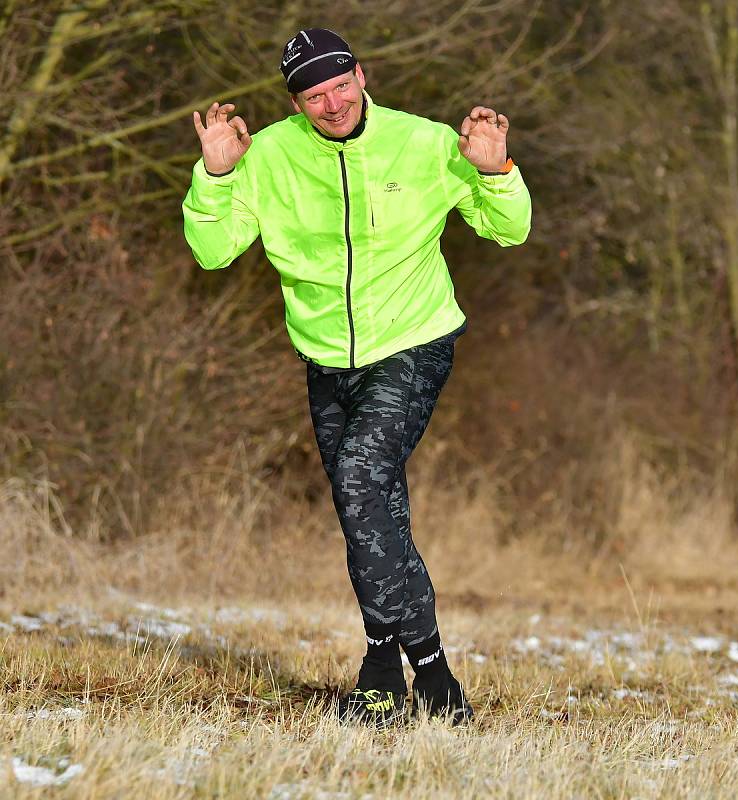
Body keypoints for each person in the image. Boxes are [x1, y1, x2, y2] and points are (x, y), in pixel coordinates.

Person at [182, 28, 532, 727]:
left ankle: (394, 672)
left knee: (360, 480)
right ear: (295, 101)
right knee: (370, 513)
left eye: (341, 84)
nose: (333, 102)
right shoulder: (270, 157)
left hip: (412, 343)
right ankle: (429, 682)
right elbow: (213, 249)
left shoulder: (426, 144)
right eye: (315, 93)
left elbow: (510, 230)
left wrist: (495, 172)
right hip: (325, 359)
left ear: (362, 75)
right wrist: (216, 176)